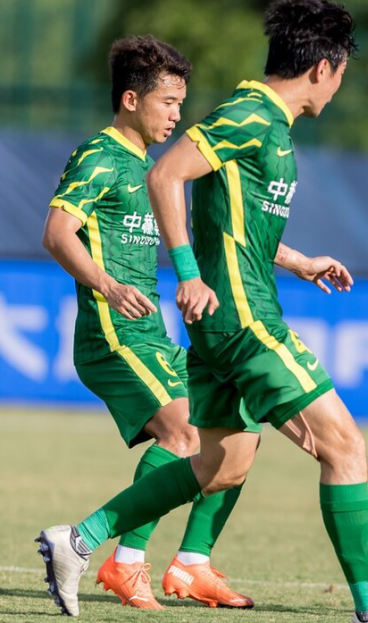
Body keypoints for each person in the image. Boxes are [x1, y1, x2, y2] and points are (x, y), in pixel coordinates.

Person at [37, 0, 368, 623]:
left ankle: (79, 541)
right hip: (243, 321)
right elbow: (165, 177)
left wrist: (298, 261)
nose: (338, 87)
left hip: (223, 324)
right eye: (342, 74)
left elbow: (229, 224)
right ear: (323, 68)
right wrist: (187, 275)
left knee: (221, 464)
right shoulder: (252, 114)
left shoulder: (269, 125)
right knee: (345, 445)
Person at [40, 35, 251, 611]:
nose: (178, 115)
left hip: (151, 337)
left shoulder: (153, 170)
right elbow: (57, 234)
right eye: (168, 102)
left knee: (238, 425)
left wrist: (298, 260)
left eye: (182, 103)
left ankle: (192, 563)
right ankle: (123, 561)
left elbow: (212, 239)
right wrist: (107, 285)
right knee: (184, 434)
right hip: (111, 337)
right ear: (131, 100)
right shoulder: (100, 156)